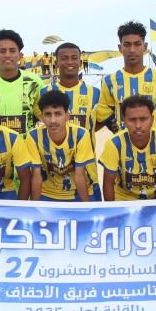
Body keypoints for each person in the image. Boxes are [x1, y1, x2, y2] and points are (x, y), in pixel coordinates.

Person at [41, 42, 103, 200]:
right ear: (56, 62)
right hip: (52, 181)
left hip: (88, 176)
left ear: (80, 62)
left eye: (74, 58)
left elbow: (101, 121)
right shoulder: (43, 92)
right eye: (64, 58)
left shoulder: (95, 93)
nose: (69, 62)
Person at [100, 95, 156, 201]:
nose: (138, 125)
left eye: (143, 119)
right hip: (124, 200)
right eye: (132, 120)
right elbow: (108, 183)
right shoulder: (114, 143)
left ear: (152, 119)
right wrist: (113, 211)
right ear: (124, 121)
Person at [97, 21, 156, 132]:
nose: (132, 50)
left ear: (145, 47)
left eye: (137, 44)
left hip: (153, 142)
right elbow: (103, 110)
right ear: (120, 48)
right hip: (122, 142)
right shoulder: (109, 81)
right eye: (127, 45)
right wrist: (111, 123)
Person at [27, 90, 95, 203]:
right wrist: (35, 207)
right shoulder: (33, 136)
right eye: (48, 114)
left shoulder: (81, 135)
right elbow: (36, 176)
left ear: (67, 116)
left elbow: (79, 176)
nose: (53, 120)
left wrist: (86, 208)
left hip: (77, 193)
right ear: (42, 117)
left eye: (58, 114)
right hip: (47, 193)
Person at [0, 29, 43, 134]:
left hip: (26, 142)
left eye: (12, 51)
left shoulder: (34, 82)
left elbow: (44, 114)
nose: (7, 55)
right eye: (2, 51)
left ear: (20, 55)